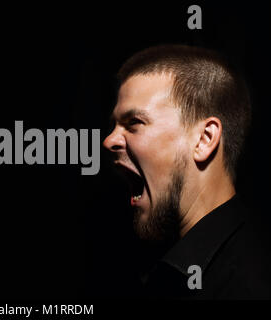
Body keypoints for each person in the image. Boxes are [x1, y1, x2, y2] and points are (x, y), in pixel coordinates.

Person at [103, 45, 271, 299]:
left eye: (134, 122)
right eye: (115, 125)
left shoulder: (247, 283)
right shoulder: (164, 270)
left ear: (204, 139)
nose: (109, 140)